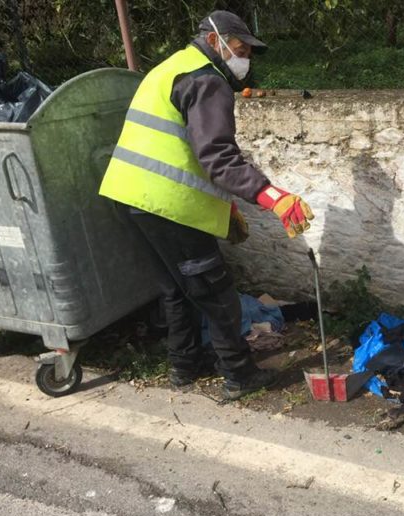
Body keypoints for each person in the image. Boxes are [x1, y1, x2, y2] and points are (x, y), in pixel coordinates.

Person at [100, 10, 314, 400]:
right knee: (216, 292)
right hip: (168, 206)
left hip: (130, 196)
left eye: (247, 50)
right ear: (214, 40)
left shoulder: (172, 67)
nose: (244, 57)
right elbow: (216, 156)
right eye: (239, 47)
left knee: (176, 290)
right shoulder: (207, 81)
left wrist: (225, 208)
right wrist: (272, 196)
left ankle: (185, 365)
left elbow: (179, 149)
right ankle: (239, 374)